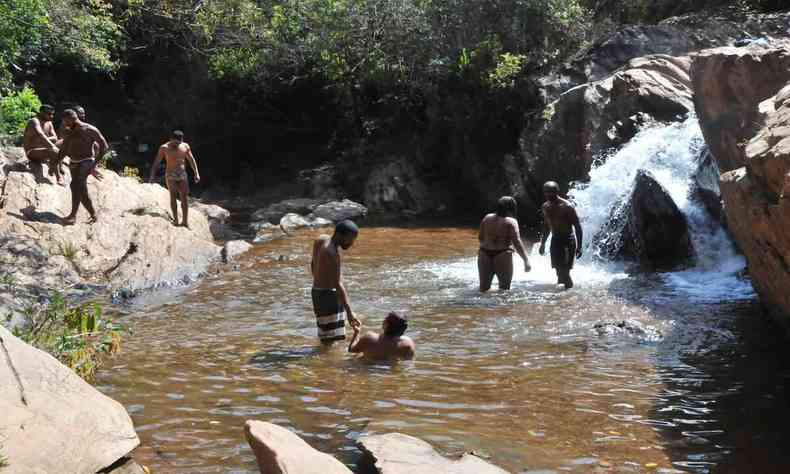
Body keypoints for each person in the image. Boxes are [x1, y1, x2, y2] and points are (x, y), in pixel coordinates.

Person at [310, 220, 361, 344]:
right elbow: (337, 284)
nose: (352, 243)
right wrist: (350, 312)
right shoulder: (332, 253)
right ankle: (326, 361)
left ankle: (325, 360)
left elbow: (312, 264)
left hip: (317, 293)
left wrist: (319, 280)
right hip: (328, 297)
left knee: (326, 334)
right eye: (350, 239)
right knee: (330, 341)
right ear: (340, 235)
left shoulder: (321, 239)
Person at [58, 109, 108, 225]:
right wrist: (56, 162)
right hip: (74, 161)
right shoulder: (70, 131)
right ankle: (92, 214)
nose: (64, 124)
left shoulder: (89, 129)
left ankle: (73, 216)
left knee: (75, 185)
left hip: (87, 161)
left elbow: (104, 146)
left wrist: (94, 165)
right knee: (81, 189)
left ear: (71, 119)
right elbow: (64, 148)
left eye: (66, 121)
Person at [148, 130, 201, 228]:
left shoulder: (185, 146)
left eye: (179, 143)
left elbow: (191, 160)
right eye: (176, 142)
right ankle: (176, 220)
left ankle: (185, 222)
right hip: (170, 175)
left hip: (182, 174)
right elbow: (156, 162)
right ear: (171, 139)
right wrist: (152, 175)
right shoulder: (164, 148)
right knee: (173, 196)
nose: (177, 144)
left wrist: (196, 173)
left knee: (184, 198)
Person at [477, 196, 531, 292]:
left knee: (483, 289)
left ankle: (482, 307)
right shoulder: (511, 222)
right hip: (502, 254)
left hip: (484, 253)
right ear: (512, 208)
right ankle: (501, 308)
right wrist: (526, 260)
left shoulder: (487, 217)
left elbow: (480, 237)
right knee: (504, 290)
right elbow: (517, 242)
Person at [538, 181, 583, 289]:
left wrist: (579, 246)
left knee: (565, 272)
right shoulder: (545, 206)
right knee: (558, 271)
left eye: (551, 192)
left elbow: (577, 226)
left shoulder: (567, 207)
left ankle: (569, 296)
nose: (548, 194)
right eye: (546, 192)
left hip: (567, 240)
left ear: (557, 191)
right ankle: (562, 297)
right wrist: (543, 243)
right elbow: (547, 226)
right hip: (555, 240)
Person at [348, 312, 415, 360]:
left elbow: (351, 350)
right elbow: (408, 362)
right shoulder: (408, 344)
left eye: (385, 320)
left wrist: (356, 333)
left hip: (369, 372)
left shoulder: (370, 338)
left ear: (386, 325)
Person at [23, 104, 63, 184]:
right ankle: (58, 176)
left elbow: (55, 137)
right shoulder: (34, 121)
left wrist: (44, 141)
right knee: (54, 151)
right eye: (48, 114)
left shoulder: (49, 123)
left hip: (45, 148)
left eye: (52, 114)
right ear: (41, 112)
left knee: (64, 141)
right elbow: (40, 134)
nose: (51, 116)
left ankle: (57, 165)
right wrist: (51, 146)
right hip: (32, 152)